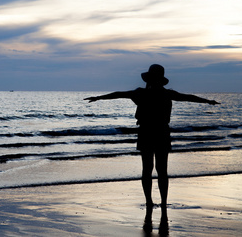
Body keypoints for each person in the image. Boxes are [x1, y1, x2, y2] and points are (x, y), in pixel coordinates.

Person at [84, 64, 220, 212]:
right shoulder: (166, 93)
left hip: (147, 132)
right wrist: (207, 101)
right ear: (161, 80)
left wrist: (98, 98)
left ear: (148, 79)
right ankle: (161, 203)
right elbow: (188, 98)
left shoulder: (141, 93)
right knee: (161, 170)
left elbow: (118, 94)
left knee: (148, 169)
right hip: (161, 132)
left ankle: (150, 202)